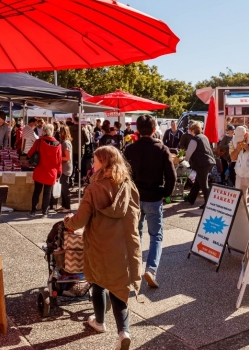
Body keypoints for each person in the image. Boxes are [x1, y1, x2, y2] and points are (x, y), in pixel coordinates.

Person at [63, 146, 140, 350]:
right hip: (124, 245)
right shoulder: (128, 185)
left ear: (103, 162)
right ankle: (124, 332)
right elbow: (135, 216)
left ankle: (99, 322)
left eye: (95, 160)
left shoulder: (94, 188)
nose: (92, 164)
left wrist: (67, 221)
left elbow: (79, 221)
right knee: (119, 289)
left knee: (98, 283)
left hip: (100, 244)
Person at [123, 115, 176, 289]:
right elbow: (171, 176)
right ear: (154, 130)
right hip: (154, 197)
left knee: (135, 235)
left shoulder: (130, 149)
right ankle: (151, 269)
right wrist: (165, 193)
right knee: (156, 236)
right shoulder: (162, 149)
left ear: (137, 130)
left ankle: (133, 269)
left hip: (135, 198)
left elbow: (124, 175)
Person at [27, 124, 61, 217]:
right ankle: (44, 212)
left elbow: (30, 153)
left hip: (40, 170)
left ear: (44, 131)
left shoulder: (39, 142)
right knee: (47, 193)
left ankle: (33, 211)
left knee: (37, 191)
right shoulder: (58, 144)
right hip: (51, 172)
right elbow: (59, 161)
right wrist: (59, 172)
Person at [183, 122, 216, 210]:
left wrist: (184, 159)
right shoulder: (204, 137)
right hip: (209, 162)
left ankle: (208, 203)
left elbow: (188, 153)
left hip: (202, 163)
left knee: (204, 184)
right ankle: (190, 199)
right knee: (198, 181)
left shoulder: (195, 139)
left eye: (190, 130)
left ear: (193, 130)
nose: (189, 131)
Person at [230, 126, 249, 204]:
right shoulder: (233, 140)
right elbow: (232, 158)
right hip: (240, 174)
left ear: (246, 134)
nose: (239, 140)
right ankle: (243, 216)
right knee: (240, 201)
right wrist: (237, 149)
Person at [52, 124, 73, 213]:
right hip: (64, 168)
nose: (59, 134)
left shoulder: (66, 143)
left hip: (66, 169)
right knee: (63, 188)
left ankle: (67, 207)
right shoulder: (65, 142)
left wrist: (57, 158)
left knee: (65, 189)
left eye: (60, 132)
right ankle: (64, 205)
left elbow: (67, 157)